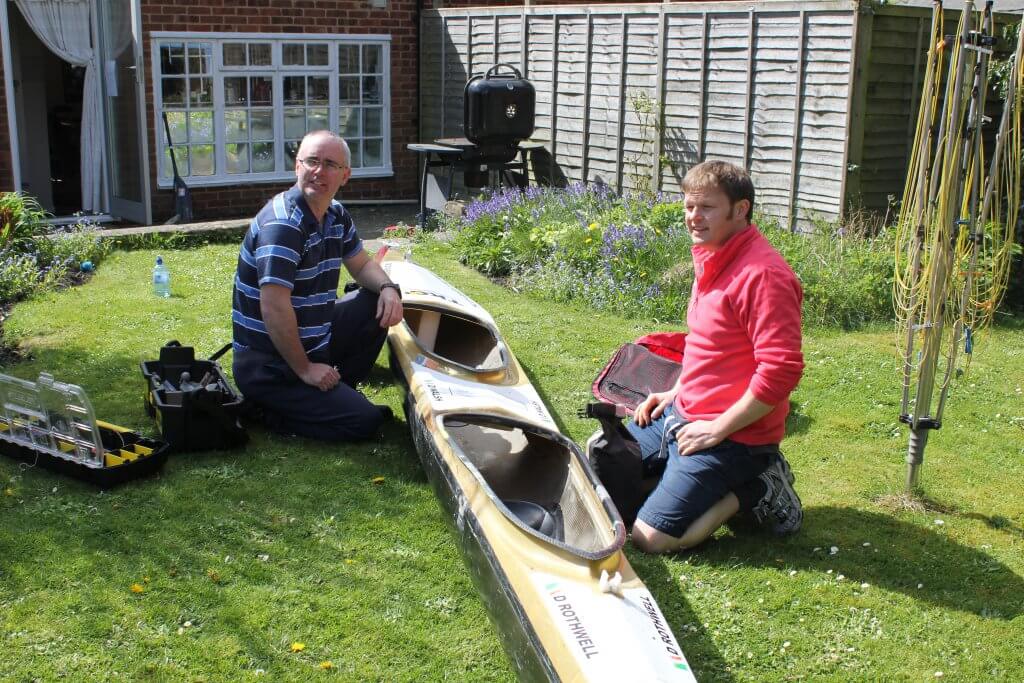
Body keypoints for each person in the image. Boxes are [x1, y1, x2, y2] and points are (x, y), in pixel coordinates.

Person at [627, 160, 805, 554]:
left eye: (706, 207)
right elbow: (707, 345)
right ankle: (677, 477)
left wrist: (718, 429)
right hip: (683, 412)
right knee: (601, 463)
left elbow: (781, 371)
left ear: (740, 210)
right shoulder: (712, 256)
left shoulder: (764, 276)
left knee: (650, 538)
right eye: (689, 206)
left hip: (735, 438)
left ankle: (759, 484)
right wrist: (673, 393)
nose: (694, 217)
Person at [230, 130, 404, 441]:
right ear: (297, 167)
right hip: (270, 365)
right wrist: (306, 369)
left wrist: (390, 289)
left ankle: (336, 388)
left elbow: (363, 265)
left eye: (329, 164)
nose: (318, 171)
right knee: (364, 422)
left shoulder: (335, 215)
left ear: (345, 175)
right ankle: (269, 411)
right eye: (311, 161)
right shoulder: (283, 226)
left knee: (372, 300)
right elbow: (274, 308)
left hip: (313, 339)